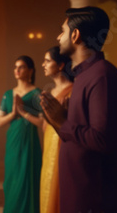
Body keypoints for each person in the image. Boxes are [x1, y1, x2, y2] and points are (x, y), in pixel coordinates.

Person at [41, 6, 117, 212]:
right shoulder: (84, 76)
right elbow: (79, 135)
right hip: (79, 193)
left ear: (75, 35)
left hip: (96, 198)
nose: (58, 37)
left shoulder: (102, 77)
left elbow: (101, 139)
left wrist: (63, 122)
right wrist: (58, 121)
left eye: (62, 31)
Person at [0, 55, 42, 213]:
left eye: (21, 67)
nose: (17, 70)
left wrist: (24, 114)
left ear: (30, 70)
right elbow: (0, 121)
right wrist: (14, 113)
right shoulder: (8, 94)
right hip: (13, 142)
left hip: (30, 142)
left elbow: (43, 123)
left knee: (28, 177)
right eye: (15, 67)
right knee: (12, 178)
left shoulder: (37, 94)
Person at [40, 46, 73, 213]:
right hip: (48, 145)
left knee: (59, 185)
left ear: (60, 65)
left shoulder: (72, 91)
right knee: (47, 181)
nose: (43, 64)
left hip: (64, 144)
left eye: (47, 61)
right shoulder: (50, 92)